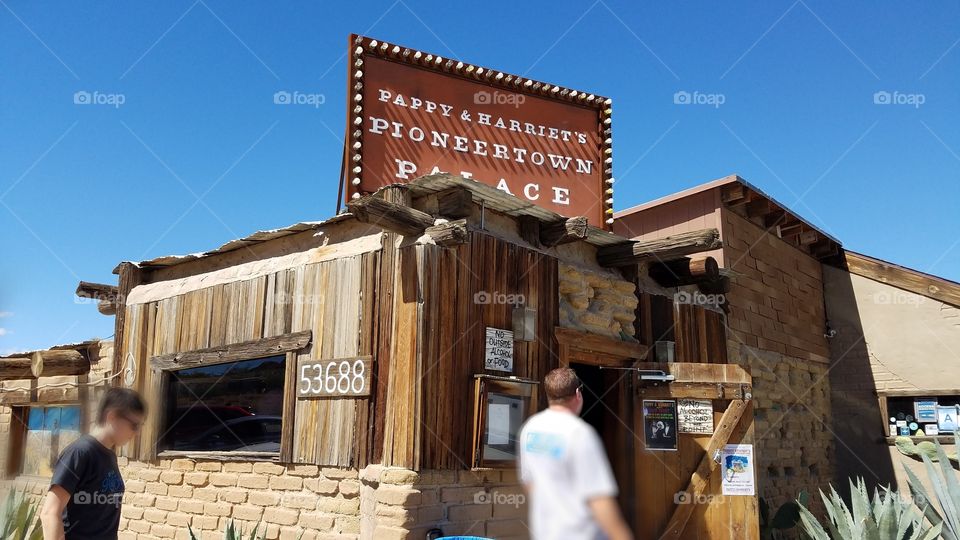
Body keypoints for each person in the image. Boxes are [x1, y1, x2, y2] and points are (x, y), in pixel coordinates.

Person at [518, 367, 633, 540]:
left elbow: (528, 483)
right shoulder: (580, 433)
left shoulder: (530, 429)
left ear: (549, 395)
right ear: (578, 393)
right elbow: (599, 499)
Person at [40, 387, 146, 540]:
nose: (137, 433)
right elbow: (50, 513)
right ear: (112, 417)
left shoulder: (109, 456)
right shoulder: (80, 453)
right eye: (134, 425)